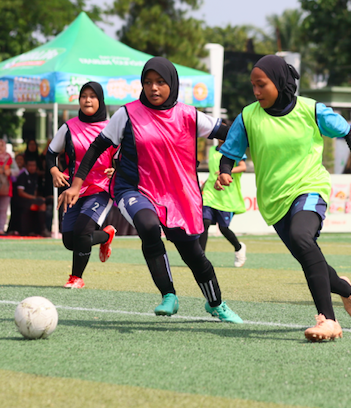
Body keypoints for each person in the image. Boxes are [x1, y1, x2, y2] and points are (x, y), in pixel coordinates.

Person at [60, 57, 243, 323]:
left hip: (178, 195)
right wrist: (76, 185)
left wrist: (226, 167)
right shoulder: (127, 114)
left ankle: (216, 303)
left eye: (160, 82)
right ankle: (168, 295)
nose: (153, 88)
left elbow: (231, 135)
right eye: (147, 82)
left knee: (193, 254)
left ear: (173, 83)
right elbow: (97, 147)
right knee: (147, 226)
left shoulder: (189, 115)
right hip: (134, 188)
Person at [216, 55, 351, 341]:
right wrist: (224, 172)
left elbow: (349, 131)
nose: (255, 91)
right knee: (308, 257)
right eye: (252, 85)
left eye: (261, 84)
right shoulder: (248, 116)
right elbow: (229, 153)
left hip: (309, 187)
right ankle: (344, 288)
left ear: (279, 82)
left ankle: (328, 320)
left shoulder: (310, 109)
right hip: (273, 201)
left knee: (303, 238)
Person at [48, 82, 117, 288]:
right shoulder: (69, 127)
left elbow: (128, 156)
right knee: (70, 241)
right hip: (74, 191)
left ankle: (76, 277)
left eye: (92, 96)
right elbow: (51, 153)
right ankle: (107, 235)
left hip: (101, 188)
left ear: (100, 100)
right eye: (84, 96)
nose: (87, 100)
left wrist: (118, 169)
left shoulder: (112, 128)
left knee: (81, 232)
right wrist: (54, 170)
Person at [199, 135, 248, 267]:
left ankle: (238, 248)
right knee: (205, 222)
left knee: (224, 228)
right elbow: (211, 173)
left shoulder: (235, 150)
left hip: (227, 194)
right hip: (210, 192)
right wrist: (201, 188)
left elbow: (243, 167)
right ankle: (200, 257)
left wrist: (225, 172)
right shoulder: (212, 150)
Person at [16, 159, 51, 237]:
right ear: (26, 166)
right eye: (30, 165)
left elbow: (35, 189)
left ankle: (42, 229)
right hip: (23, 200)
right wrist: (34, 198)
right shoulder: (22, 176)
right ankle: (43, 229)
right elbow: (20, 192)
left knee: (45, 202)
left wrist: (36, 198)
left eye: (34, 165)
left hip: (32, 199)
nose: (32, 167)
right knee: (41, 204)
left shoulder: (35, 175)